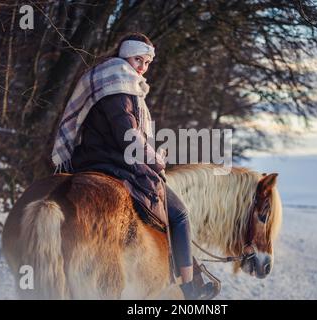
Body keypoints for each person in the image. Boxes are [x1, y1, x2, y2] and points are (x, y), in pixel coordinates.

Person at [51, 32, 216, 300]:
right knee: (180, 214)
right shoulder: (119, 83)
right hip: (117, 165)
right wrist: (156, 159)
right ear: (123, 55)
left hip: (90, 159)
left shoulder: (104, 79)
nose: (141, 67)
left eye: (147, 62)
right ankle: (189, 286)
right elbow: (128, 136)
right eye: (137, 59)